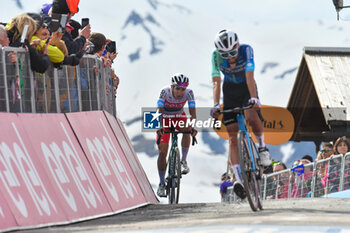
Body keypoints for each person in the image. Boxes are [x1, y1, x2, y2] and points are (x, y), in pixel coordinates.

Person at [210, 29, 272, 199]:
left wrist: (253, 97)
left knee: (252, 117)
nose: (230, 57)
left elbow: (249, 75)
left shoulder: (246, 50)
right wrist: (216, 104)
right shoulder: (215, 56)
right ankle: (238, 179)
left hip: (246, 86)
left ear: (237, 45)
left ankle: (262, 147)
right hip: (229, 91)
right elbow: (216, 81)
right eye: (225, 54)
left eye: (232, 52)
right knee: (232, 136)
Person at [156, 73, 197, 197]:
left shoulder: (189, 93)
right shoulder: (165, 92)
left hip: (179, 117)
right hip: (164, 118)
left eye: (183, 89)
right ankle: (162, 183)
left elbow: (193, 114)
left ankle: (183, 161)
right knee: (162, 152)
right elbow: (159, 110)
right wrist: (160, 126)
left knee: (187, 129)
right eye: (177, 88)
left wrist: (193, 126)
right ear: (172, 87)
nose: (180, 92)